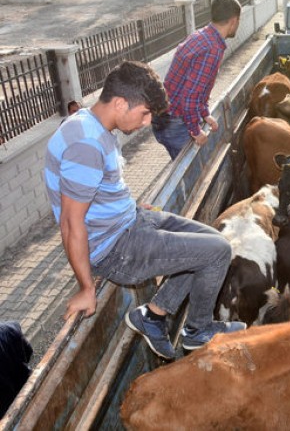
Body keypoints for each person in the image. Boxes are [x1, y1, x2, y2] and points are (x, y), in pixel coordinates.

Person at [44, 61, 245, 360]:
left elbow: (98, 191)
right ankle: (197, 330)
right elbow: (71, 223)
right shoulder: (86, 143)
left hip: (130, 221)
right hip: (116, 249)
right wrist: (86, 287)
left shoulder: (93, 125)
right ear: (121, 103)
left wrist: (129, 205)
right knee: (216, 252)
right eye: (145, 113)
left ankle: (153, 316)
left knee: (215, 242)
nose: (148, 122)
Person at [152, 0, 242, 160]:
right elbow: (190, 97)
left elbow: (193, 87)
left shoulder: (201, 36)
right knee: (194, 176)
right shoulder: (212, 49)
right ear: (234, 21)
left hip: (165, 117)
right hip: (175, 123)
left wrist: (204, 113)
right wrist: (195, 130)